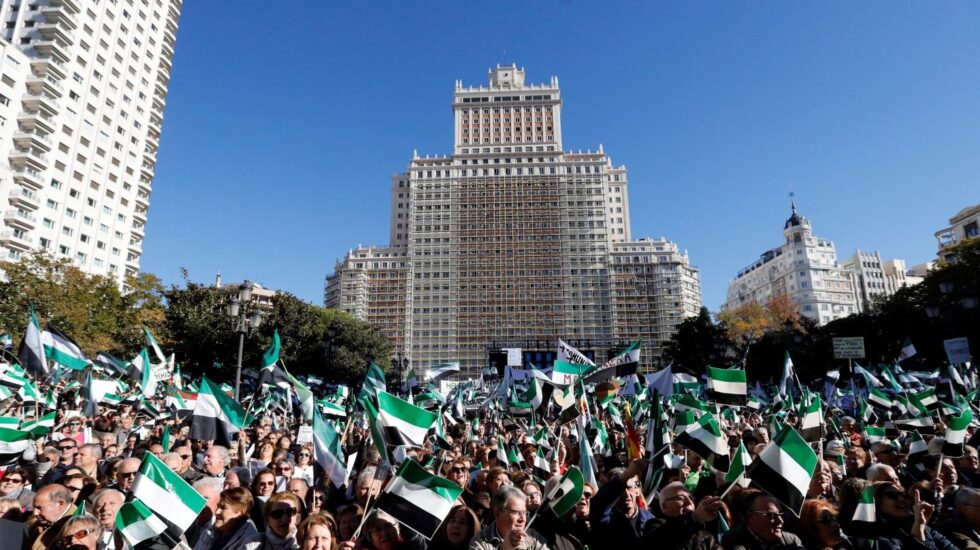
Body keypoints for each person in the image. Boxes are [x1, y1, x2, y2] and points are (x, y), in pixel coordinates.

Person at [590, 459, 654, 549]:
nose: (626, 494)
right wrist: (626, 476)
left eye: (629, 488)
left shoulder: (650, 518)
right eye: (621, 490)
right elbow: (599, 504)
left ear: (637, 491)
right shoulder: (606, 519)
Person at [642, 481, 724, 549]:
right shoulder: (654, 526)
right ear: (664, 506)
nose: (689, 503)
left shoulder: (706, 537)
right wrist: (695, 517)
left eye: (691, 498)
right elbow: (667, 535)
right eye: (681, 498)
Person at [470, 486, 548, 550]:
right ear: (497, 513)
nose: (523, 519)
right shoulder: (480, 542)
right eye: (516, 512)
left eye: (524, 513)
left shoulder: (533, 537)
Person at [721, 491, 805, 549]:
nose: (780, 521)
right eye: (772, 515)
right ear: (751, 517)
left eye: (782, 515)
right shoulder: (734, 540)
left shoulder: (791, 540)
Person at [29, 484, 77, 550]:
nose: (35, 513)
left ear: (60, 504)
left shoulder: (77, 526)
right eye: (34, 508)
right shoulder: (37, 522)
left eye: (39, 508)